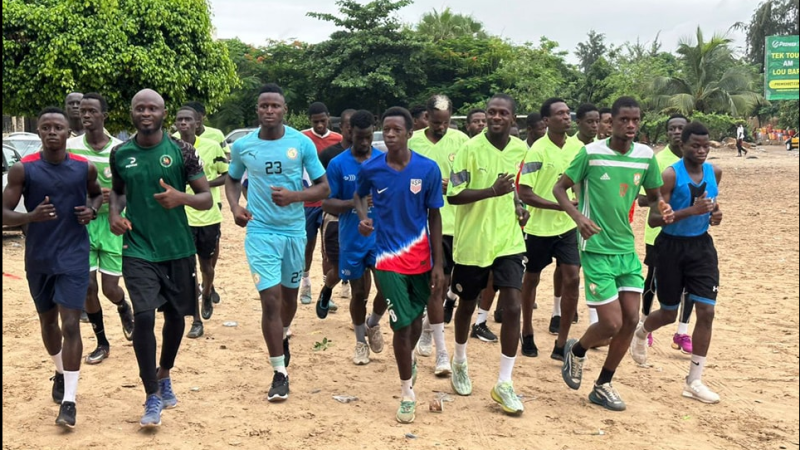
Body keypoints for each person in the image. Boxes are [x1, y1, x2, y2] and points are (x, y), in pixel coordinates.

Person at [553, 96, 673, 412]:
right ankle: (576, 350)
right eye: (624, 120)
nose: (630, 126)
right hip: (595, 249)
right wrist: (578, 218)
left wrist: (662, 204)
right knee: (610, 323)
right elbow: (559, 188)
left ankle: (603, 384)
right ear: (612, 121)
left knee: (632, 319)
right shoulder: (591, 153)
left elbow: (653, 194)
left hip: (625, 249)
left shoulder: (646, 157)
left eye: (636, 120)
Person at [110, 89, 213, 427]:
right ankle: (151, 394)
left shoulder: (183, 151)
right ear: (132, 113)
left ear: (163, 113)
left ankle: (164, 372)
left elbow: (205, 199)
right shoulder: (121, 153)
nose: (146, 113)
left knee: (176, 319)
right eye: (139, 107)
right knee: (143, 316)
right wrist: (114, 214)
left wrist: (179, 197)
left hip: (178, 248)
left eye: (152, 107)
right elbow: (119, 191)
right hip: (137, 247)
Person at [225, 84, 329, 403]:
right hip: (260, 232)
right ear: (257, 110)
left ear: (284, 109)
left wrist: (295, 196)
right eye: (263, 106)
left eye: (275, 106)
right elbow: (232, 179)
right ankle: (279, 373)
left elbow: (323, 189)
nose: (269, 111)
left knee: (288, 299)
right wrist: (235, 208)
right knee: (269, 300)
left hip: (294, 232)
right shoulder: (244, 146)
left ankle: (283, 333)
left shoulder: (301, 143)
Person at [3, 107, 103, 429]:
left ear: (67, 132)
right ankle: (59, 371)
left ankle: (70, 401)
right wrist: (29, 217)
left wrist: (93, 211)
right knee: (49, 325)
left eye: (57, 127)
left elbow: (97, 196)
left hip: (74, 256)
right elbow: (3, 213)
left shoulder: (82, 168)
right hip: (39, 259)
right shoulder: (23, 170)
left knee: (71, 324)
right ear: (40, 134)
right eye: (45, 128)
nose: (51, 132)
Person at [353, 106, 444, 423]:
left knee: (416, 321)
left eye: (396, 130)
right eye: (386, 130)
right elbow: (359, 196)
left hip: (421, 260)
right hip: (387, 260)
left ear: (409, 133)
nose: (390, 135)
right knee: (403, 328)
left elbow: (434, 216)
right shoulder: (372, 168)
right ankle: (407, 393)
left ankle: (408, 364)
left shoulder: (428, 170)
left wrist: (439, 264)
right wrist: (364, 218)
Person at [448, 94, 530, 415]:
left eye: (503, 113)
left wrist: (520, 208)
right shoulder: (469, 149)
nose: (496, 117)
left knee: (512, 306)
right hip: (472, 242)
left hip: (509, 241)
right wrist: (490, 191)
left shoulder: (521, 151)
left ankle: (504, 383)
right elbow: (454, 195)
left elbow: (520, 191)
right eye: (491, 112)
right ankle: (459, 360)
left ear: (513, 119)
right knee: (467, 305)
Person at [630, 121, 723, 404]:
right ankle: (641, 331)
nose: (701, 151)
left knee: (706, 311)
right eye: (695, 145)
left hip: (701, 247)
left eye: (706, 145)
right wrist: (690, 211)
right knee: (669, 313)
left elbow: (712, 205)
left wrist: (715, 215)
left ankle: (694, 381)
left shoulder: (714, 172)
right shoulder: (670, 175)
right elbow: (656, 219)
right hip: (670, 248)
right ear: (681, 145)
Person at [66, 93, 135, 365]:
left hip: (112, 225)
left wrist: (115, 198)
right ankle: (102, 342)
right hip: (82, 224)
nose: (86, 115)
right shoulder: (71, 147)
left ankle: (122, 306)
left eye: (92, 111)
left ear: (103, 116)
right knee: (87, 287)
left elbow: (130, 188)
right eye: (83, 111)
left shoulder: (119, 149)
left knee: (109, 288)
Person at [408, 95, 469, 376]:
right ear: (426, 118)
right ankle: (436, 343)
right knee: (437, 284)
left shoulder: (462, 141)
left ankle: (428, 327)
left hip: (459, 223)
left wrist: (451, 184)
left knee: (451, 285)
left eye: (445, 122)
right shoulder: (414, 141)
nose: (441, 127)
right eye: (435, 122)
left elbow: (468, 177)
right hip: (427, 224)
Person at [518, 98, 583, 360]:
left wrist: (576, 210)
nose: (566, 117)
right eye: (560, 114)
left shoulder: (579, 148)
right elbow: (525, 192)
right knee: (531, 279)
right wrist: (561, 206)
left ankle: (562, 340)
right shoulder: (537, 151)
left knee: (573, 278)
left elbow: (581, 182)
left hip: (567, 228)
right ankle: (527, 330)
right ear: (546, 121)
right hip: (538, 229)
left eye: (568, 113)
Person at [321, 110, 387, 365]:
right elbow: (327, 203)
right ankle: (360, 342)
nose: (364, 142)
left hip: (382, 238)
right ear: (350, 134)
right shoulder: (339, 164)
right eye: (359, 137)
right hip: (352, 236)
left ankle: (373, 323)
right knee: (359, 292)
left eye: (368, 137)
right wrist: (353, 202)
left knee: (387, 289)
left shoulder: (384, 160)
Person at [636, 114, 692, 351]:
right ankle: (644, 323)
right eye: (672, 128)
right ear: (667, 132)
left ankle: (682, 332)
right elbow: (640, 199)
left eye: (681, 128)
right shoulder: (658, 161)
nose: (676, 132)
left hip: (689, 234)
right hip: (659, 234)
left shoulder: (696, 161)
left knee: (690, 283)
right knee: (653, 280)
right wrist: (663, 204)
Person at [175, 106, 229, 339]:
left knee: (207, 266)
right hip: (181, 215)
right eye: (180, 120)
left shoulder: (212, 145)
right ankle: (196, 320)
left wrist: (204, 185)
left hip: (208, 214)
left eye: (188, 119)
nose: (184, 123)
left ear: (197, 123)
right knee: (188, 270)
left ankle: (207, 293)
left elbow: (227, 175)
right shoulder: (170, 146)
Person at [300, 102, 342, 306]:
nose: (319, 125)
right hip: (307, 202)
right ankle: (305, 283)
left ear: (329, 118)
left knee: (328, 250)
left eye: (323, 121)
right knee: (308, 244)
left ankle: (328, 291)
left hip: (329, 203)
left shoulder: (339, 140)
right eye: (315, 122)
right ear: (310, 121)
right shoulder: (301, 138)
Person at [318, 109, 357, 301]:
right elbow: (322, 190)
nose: (353, 132)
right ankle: (328, 287)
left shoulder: (374, 158)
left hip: (362, 219)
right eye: (349, 127)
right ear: (341, 127)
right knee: (338, 266)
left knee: (363, 268)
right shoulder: (330, 157)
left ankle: (363, 319)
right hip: (335, 217)